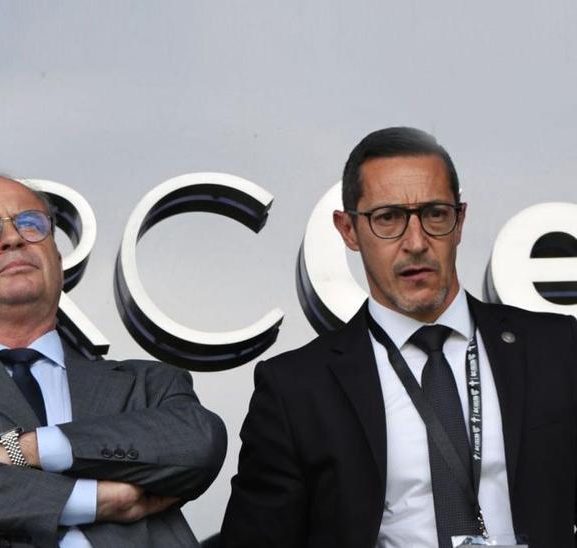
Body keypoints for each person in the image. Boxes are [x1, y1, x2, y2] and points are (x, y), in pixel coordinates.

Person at [221, 127, 577, 547]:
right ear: (348, 231)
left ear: (459, 221)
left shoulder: (558, 350)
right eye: (387, 218)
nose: (416, 242)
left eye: (435, 214)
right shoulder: (295, 389)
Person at [0, 171, 226, 547]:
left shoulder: (145, 385)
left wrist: (26, 450)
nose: (13, 238)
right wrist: (91, 501)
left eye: (31, 224)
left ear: (58, 260)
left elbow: (197, 443)